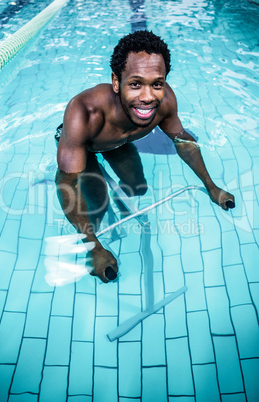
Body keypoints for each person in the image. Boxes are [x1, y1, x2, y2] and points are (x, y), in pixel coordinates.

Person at [55, 30, 235, 283]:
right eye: (136, 84)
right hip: (83, 147)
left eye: (157, 84)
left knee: (137, 188)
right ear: (116, 82)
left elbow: (183, 142)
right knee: (97, 203)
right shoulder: (85, 112)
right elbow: (66, 182)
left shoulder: (166, 102)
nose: (148, 97)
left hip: (118, 144)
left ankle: (121, 205)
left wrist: (212, 186)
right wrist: (93, 248)